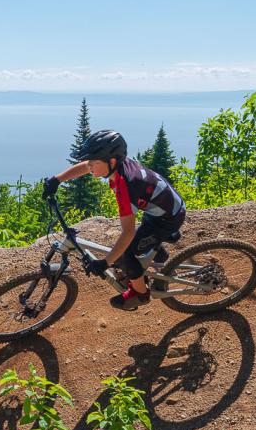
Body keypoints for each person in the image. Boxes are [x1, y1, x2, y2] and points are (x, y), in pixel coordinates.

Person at [41, 129, 186, 311]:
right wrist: (57, 179)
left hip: (167, 218)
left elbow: (128, 232)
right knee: (124, 249)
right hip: (163, 209)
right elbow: (85, 166)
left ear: (111, 161)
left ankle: (140, 295)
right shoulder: (117, 164)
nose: (89, 166)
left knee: (126, 256)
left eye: (94, 163)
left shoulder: (126, 186)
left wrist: (105, 263)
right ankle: (156, 254)